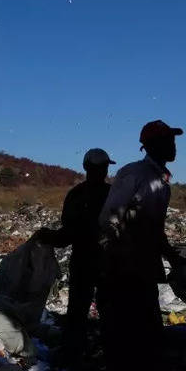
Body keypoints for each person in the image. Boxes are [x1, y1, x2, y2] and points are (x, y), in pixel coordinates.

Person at [98, 120, 184, 371]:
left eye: (173, 140)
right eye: (167, 140)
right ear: (150, 146)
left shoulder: (161, 181)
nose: (173, 146)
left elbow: (153, 228)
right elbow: (109, 219)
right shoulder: (133, 174)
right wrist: (116, 260)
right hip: (123, 267)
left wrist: (175, 259)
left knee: (146, 331)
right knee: (125, 332)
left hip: (142, 267)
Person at [37, 148, 115, 353]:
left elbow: (66, 236)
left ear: (85, 167)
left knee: (78, 311)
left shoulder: (76, 195)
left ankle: (73, 355)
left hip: (84, 262)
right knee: (110, 311)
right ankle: (110, 353)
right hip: (109, 262)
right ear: (106, 168)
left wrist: (47, 237)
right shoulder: (112, 195)